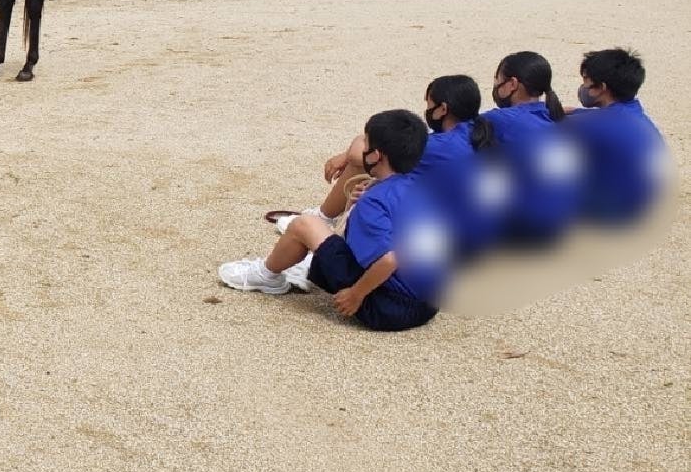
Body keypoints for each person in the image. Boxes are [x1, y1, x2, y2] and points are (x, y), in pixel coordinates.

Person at [220, 110, 447, 331]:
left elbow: (388, 259)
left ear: (377, 155)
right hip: (429, 303)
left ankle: (266, 275)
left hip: (387, 307)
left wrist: (356, 294)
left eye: (367, 145)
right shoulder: (425, 189)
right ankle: (301, 266)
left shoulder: (374, 201)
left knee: (305, 224)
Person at [267, 75, 498, 276]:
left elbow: (364, 153)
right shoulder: (478, 133)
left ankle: (320, 236)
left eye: (429, 104)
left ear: (443, 109)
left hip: (450, 240)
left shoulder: (440, 146)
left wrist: (348, 154)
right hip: (479, 234)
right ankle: (324, 221)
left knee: (372, 172)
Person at [482, 50, 580, 243]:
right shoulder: (553, 115)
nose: (495, 86)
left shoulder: (500, 119)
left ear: (512, 84)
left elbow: (453, 135)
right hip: (563, 222)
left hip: (527, 226)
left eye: (497, 80)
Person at [565, 47, 668, 223]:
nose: (583, 88)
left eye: (586, 82)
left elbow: (539, 132)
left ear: (602, 87)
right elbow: (583, 115)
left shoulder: (595, 125)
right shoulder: (631, 111)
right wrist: (571, 111)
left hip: (614, 207)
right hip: (640, 197)